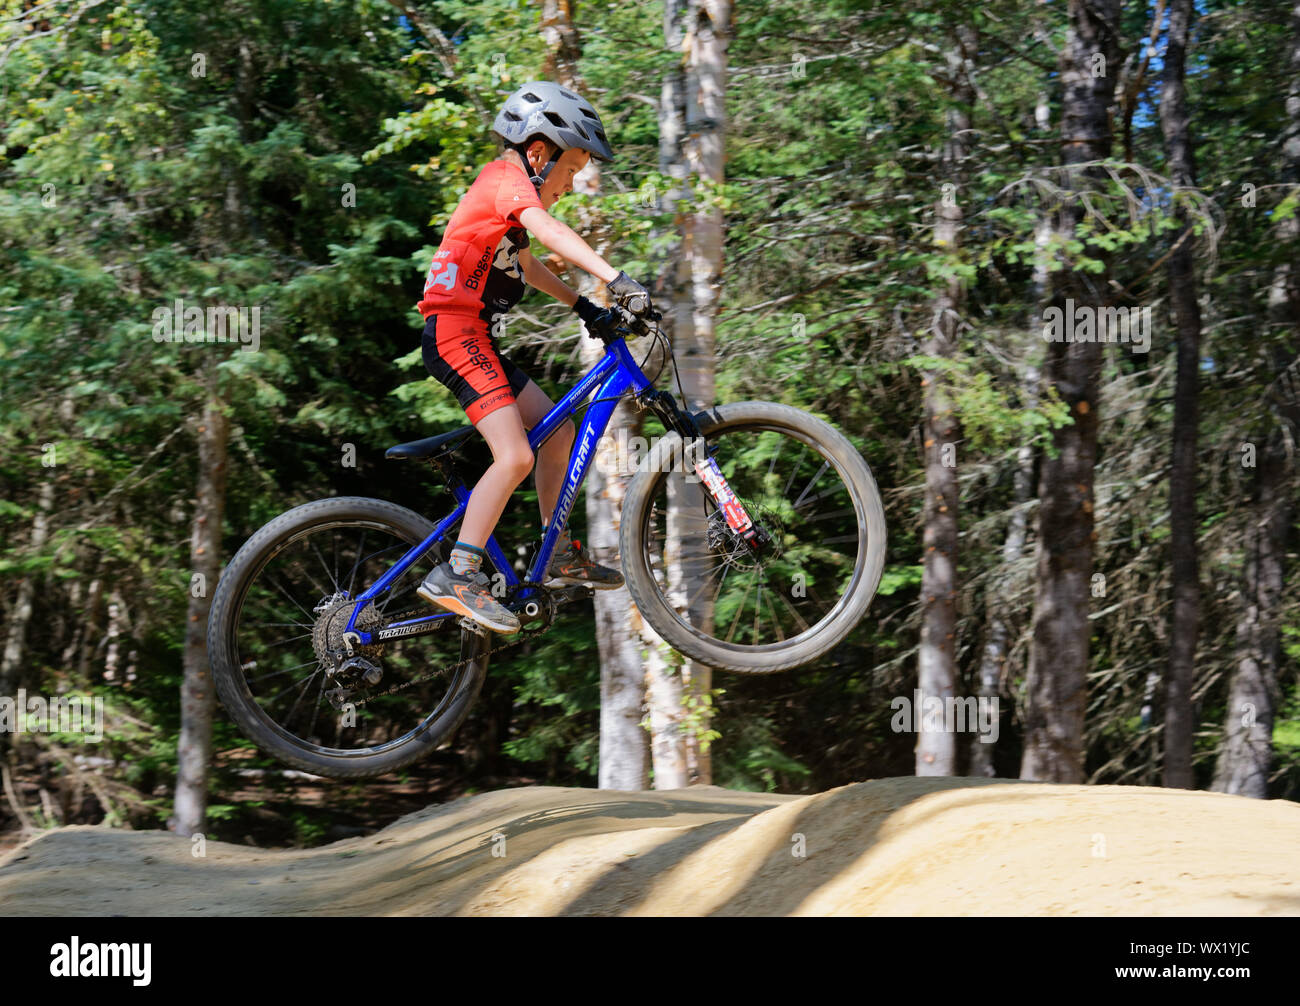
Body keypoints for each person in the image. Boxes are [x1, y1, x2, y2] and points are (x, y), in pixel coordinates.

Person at [414, 81, 655, 634]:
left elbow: (526, 263)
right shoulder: (506, 180)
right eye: (570, 171)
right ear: (539, 152)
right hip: (456, 333)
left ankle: (558, 554)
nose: (569, 187)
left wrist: (584, 306)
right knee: (516, 456)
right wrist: (613, 277)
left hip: (474, 336)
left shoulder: (509, 197)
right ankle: (459, 573)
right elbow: (547, 230)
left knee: (559, 432)